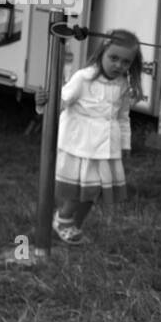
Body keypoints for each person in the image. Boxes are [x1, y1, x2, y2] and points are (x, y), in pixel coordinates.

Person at [36, 29, 143, 246]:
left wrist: (124, 143)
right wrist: (42, 103)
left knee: (94, 192)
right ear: (102, 53)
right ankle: (63, 220)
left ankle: (74, 225)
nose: (119, 65)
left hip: (106, 148)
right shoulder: (83, 78)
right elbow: (61, 102)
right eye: (114, 58)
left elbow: (123, 117)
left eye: (125, 62)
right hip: (80, 145)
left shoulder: (122, 84)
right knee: (79, 191)